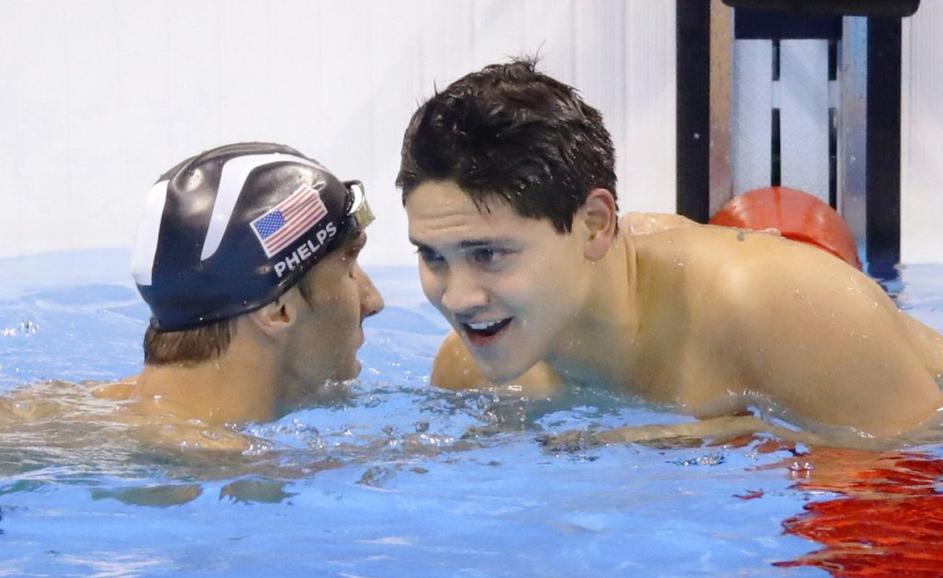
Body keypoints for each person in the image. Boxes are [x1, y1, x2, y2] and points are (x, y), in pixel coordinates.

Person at [396, 59, 943, 442]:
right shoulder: (469, 368)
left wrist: (758, 439)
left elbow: (907, 482)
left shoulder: (780, 305)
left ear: (593, 226)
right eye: (433, 257)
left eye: (489, 255)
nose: (458, 299)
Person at [89, 142, 384, 445]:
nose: (374, 301)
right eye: (349, 263)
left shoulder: (81, 409)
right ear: (278, 308)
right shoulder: (226, 466)